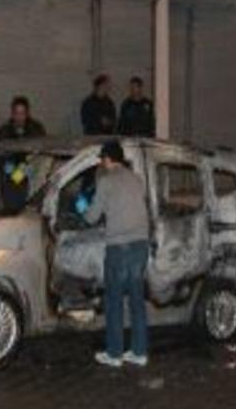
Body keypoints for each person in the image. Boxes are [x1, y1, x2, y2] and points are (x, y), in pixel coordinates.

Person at [84, 141, 150, 368]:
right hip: (140, 246)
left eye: (103, 159)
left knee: (113, 301)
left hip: (119, 248)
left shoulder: (106, 181)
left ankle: (114, 354)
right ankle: (139, 352)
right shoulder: (137, 179)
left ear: (109, 159)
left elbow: (92, 217)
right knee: (137, 301)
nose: (102, 162)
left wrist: (83, 207)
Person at [0, 96, 47, 212]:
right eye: (17, 113)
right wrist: (11, 170)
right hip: (10, 183)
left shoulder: (37, 130)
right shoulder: (3, 133)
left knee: (31, 215)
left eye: (22, 113)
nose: (19, 117)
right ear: (12, 114)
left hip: (31, 180)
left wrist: (28, 169)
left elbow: (44, 152)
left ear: (27, 113)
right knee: (12, 215)